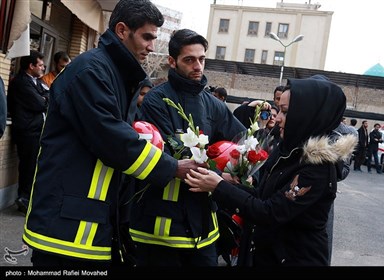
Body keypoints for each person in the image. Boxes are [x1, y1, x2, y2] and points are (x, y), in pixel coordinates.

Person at [22, 0, 203, 267]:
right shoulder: (91, 71)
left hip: (86, 224)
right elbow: (112, 139)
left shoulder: (115, 73)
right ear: (121, 30)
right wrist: (171, 166)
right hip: (66, 233)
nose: (152, 46)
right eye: (147, 37)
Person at [185, 75, 357, 266]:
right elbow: (262, 196)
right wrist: (221, 181)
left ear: (306, 114)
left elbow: (270, 212)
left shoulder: (318, 166)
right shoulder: (288, 150)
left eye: (285, 112)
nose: (278, 119)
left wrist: (219, 187)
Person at [130, 28, 246, 267]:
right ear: (172, 62)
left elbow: (240, 142)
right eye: (189, 60)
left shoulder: (214, 105)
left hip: (203, 226)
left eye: (201, 59)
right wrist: (219, 176)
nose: (198, 66)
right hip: (161, 228)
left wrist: (243, 168)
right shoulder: (157, 100)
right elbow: (172, 156)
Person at [7, 50, 49, 215]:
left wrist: (44, 99)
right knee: (28, 166)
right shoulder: (21, 82)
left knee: (35, 167)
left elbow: (49, 96)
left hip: (37, 130)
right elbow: (39, 104)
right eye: (39, 65)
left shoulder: (37, 82)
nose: (42, 68)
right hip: (27, 132)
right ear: (31, 66)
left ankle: (29, 198)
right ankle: (23, 199)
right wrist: (44, 100)